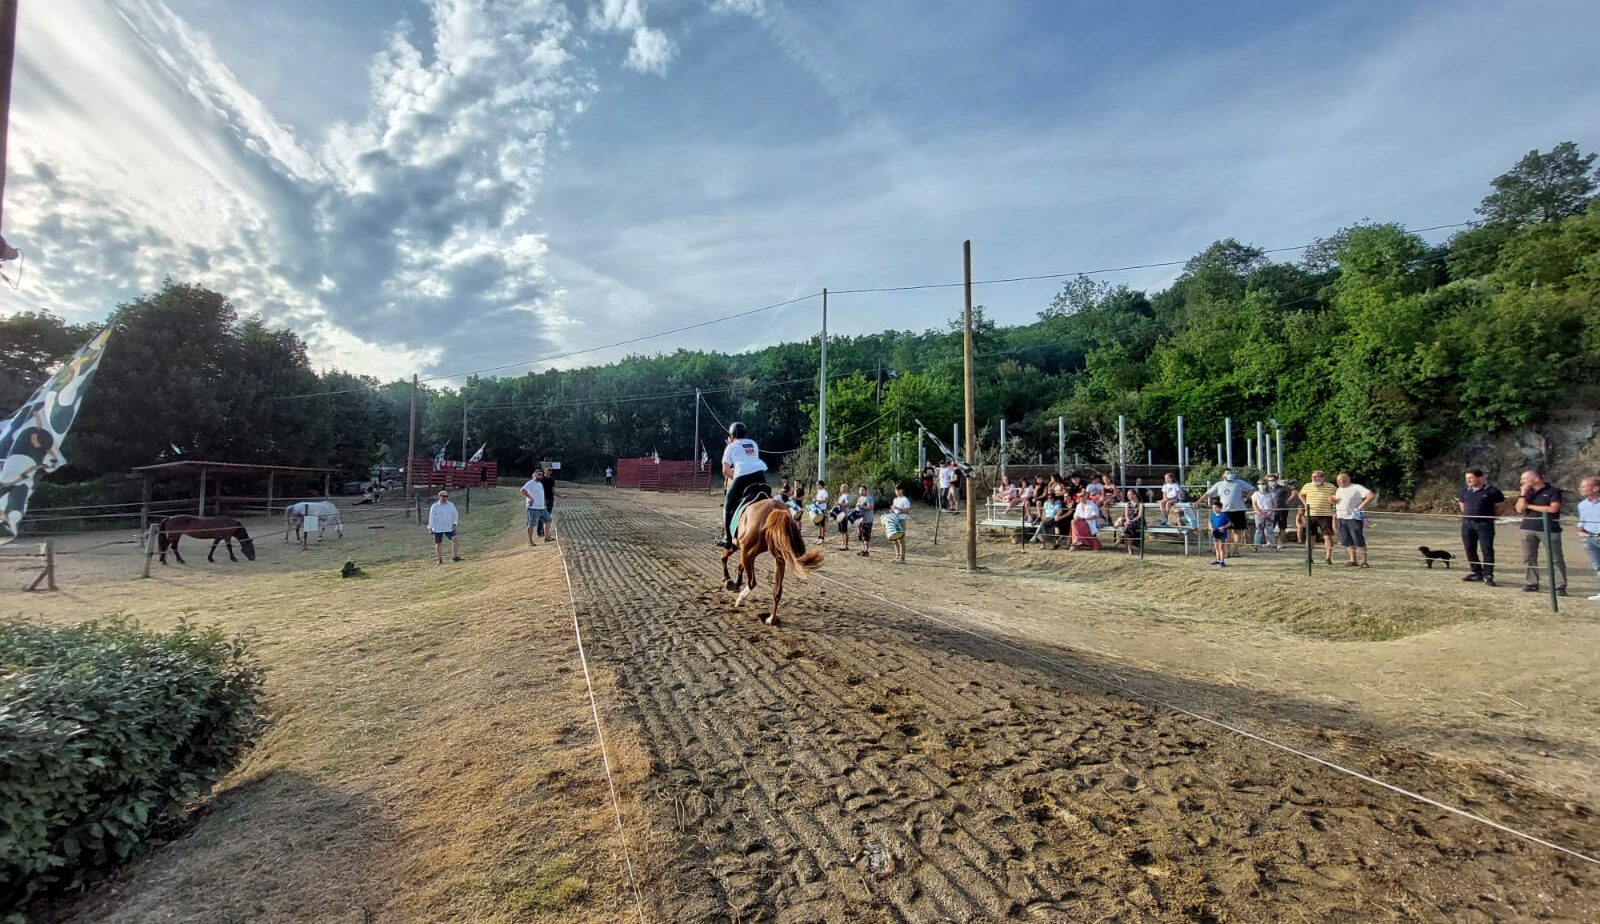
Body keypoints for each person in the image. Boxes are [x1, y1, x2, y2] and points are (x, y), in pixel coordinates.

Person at [1516, 469, 1566, 595]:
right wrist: (1522, 494)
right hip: (1528, 528)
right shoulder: (1527, 493)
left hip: (1549, 529)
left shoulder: (1553, 491)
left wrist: (1530, 506)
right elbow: (1519, 509)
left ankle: (1560, 585)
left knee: (1555, 558)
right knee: (1529, 557)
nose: (1521, 481)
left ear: (1536, 478)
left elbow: (1553, 508)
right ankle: (1532, 582)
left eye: (1524, 478)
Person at [719, 422, 769, 549]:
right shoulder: (753, 443)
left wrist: (734, 479)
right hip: (760, 474)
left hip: (742, 475)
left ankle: (727, 538)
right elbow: (751, 460)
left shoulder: (731, 446)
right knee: (768, 499)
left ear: (732, 434)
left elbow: (725, 470)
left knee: (728, 504)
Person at [1458, 468, 1506, 586]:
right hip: (1468, 524)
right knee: (1469, 548)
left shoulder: (1492, 491)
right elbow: (1462, 504)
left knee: (1487, 549)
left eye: (1471, 478)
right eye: (1466, 478)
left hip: (1485, 524)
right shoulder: (1465, 491)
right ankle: (1476, 572)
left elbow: (1500, 507)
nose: (1468, 480)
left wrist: (1489, 517)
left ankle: (1488, 574)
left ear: (1480, 478)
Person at [1332, 473, 1377, 568]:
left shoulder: (1357, 487)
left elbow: (1370, 495)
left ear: (1349, 479)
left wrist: (1361, 506)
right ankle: (1353, 560)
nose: (1341, 481)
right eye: (1339, 480)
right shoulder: (1338, 490)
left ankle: (1364, 561)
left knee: (1358, 539)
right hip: (1341, 517)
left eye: (1344, 479)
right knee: (1346, 540)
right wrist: (1333, 503)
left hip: (1354, 518)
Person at [1204, 468, 1251, 557]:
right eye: (1227, 473)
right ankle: (1227, 551)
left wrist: (1246, 498)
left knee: (1238, 531)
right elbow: (1208, 494)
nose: (1230, 474)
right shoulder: (1219, 484)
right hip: (1225, 511)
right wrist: (1197, 502)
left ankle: (1235, 551)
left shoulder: (1239, 482)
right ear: (1223, 475)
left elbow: (1252, 489)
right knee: (1227, 532)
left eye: (1231, 473)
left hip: (1239, 510)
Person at [1300, 470, 1337, 564]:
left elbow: (1336, 498)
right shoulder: (1307, 486)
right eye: (1312, 476)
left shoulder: (1331, 486)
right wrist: (1305, 503)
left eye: (1316, 476)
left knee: (1327, 536)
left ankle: (1328, 558)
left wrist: (1333, 501)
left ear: (1322, 477)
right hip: (1310, 514)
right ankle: (1309, 557)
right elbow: (1300, 494)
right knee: (1310, 536)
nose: (1314, 478)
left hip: (1325, 514)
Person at [1576, 476, 1600, 601]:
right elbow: (1582, 521)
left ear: (1596, 488)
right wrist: (1580, 530)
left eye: (1584, 486)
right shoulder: (1582, 505)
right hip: (1590, 539)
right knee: (1598, 566)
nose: (1581, 489)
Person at [428, 489, 462, 564]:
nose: (445, 497)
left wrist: (454, 523)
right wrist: (430, 528)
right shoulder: (435, 506)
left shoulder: (451, 505)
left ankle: (455, 556)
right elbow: (431, 517)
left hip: (449, 527)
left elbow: (455, 514)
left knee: (455, 539)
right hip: (438, 528)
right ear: (439, 496)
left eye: (447, 496)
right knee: (438, 543)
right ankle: (440, 559)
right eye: (444, 496)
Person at [521, 471, 551, 545]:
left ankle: (546, 537)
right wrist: (530, 498)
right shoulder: (530, 483)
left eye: (542, 475)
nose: (541, 476)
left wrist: (544, 504)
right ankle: (530, 541)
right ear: (534, 475)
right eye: (539, 474)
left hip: (542, 508)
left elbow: (542, 494)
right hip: (533, 508)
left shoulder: (540, 484)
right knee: (531, 524)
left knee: (548, 520)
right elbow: (522, 490)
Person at [887, 484, 912, 563]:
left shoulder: (905, 500)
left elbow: (908, 511)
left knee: (901, 538)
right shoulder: (895, 499)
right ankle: (897, 556)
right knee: (894, 538)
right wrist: (892, 510)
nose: (897, 492)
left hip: (901, 520)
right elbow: (894, 509)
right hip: (895, 519)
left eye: (898, 490)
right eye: (896, 490)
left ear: (901, 490)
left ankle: (902, 558)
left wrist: (898, 509)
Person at [1116, 488, 1143, 555]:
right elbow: (1126, 515)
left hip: (1138, 521)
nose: (1128, 496)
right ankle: (1129, 550)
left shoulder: (1140, 504)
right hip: (1129, 521)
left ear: (1134, 495)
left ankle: (1121, 539)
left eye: (1129, 494)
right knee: (1128, 529)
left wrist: (1131, 521)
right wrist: (1128, 520)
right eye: (1127, 495)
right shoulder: (1127, 504)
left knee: (1127, 528)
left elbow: (1139, 516)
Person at [1251, 479, 1275, 552]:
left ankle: (1273, 546)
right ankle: (1256, 546)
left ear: (1266, 484)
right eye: (1259, 484)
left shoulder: (1272, 494)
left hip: (1269, 513)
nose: (1261, 485)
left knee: (1270, 530)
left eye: (1263, 484)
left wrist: (1269, 513)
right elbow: (1254, 505)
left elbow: (1274, 504)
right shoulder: (1255, 494)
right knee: (1259, 530)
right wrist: (1261, 514)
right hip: (1259, 514)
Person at [1270, 475, 1293, 549]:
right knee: (1270, 527)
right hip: (1271, 510)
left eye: (1272, 480)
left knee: (1282, 527)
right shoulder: (1266, 489)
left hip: (1282, 509)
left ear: (1276, 480)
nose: (1271, 482)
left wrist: (1288, 500)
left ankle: (1280, 542)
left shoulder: (1283, 488)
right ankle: (1270, 541)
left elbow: (1294, 492)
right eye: (1269, 480)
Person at [1209, 499, 1230, 568]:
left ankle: (1222, 561)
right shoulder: (1213, 516)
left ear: (1220, 508)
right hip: (1215, 533)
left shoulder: (1224, 515)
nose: (1214, 509)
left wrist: (1223, 527)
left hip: (1222, 534)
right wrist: (1211, 529)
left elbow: (1229, 523)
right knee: (1216, 547)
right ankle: (1217, 559)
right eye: (1213, 508)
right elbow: (1210, 522)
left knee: (1221, 547)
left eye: (1216, 508)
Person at [855, 487, 876, 557]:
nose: (861, 491)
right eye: (860, 490)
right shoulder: (859, 498)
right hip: (860, 520)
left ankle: (866, 551)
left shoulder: (869, 498)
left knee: (866, 536)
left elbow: (871, 507)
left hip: (868, 520)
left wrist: (862, 506)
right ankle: (862, 550)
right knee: (860, 536)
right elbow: (857, 507)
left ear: (866, 490)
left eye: (863, 490)